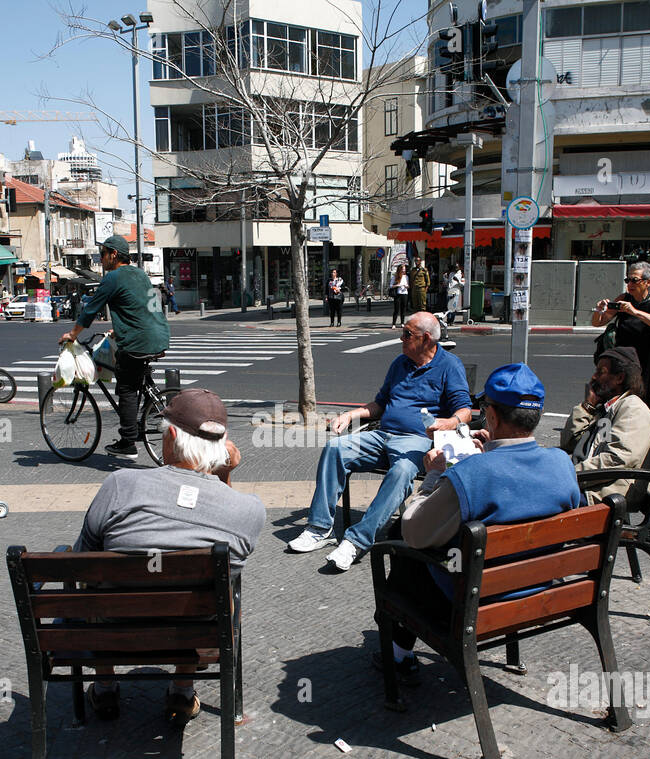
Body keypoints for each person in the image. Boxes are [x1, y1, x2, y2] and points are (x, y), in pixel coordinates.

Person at [380, 363, 582, 683]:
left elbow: (414, 530)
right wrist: (489, 452)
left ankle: (398, 653)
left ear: (492, 416)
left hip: (475, 606)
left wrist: (434, 475)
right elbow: (521, 491)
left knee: (397, 539)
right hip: (540, 592)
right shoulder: (562, 464)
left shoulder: (472, 473)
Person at [74, 388, 265, 723]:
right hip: (194, 630)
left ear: (172, 435)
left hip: (113, 626)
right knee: (210, 591)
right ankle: (182, 689)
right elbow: (228, 562)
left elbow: (82, 560)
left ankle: (104, 687)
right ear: (222, 446)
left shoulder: (120, 484)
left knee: (96, 581)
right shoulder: (249, 510)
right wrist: (223, 474)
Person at [288, 312, 472, 572]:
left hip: (416, 441)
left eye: (407, 334)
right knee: (335, 448)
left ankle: (356, 541)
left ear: (426, 339)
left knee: (403, 470)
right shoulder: (400, 363)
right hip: (382, 435)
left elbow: (465, 409)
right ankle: (319, 528)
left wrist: (449, 422)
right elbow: (381, 404)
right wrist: (351, 414)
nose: (401, 337)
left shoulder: (449, 366)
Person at [60, 235, 171, 459]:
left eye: (102, 254)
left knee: (127, 388)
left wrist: (72, 335)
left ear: (113, 254)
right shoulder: (140, 273)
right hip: (158, 334)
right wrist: (117, 330)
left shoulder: (114, 277)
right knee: (138, 379)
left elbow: (90, 311)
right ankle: (153, 407)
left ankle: (128, 441)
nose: (100, 259)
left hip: (138, 341)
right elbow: (141, 306)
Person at [559, 346, 650, 506]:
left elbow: (616, 459)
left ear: (619, 377)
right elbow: (570, 442)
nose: (593, 377)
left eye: (600, 372)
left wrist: (568, 476)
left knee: (538, 497)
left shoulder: (632, 409)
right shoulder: (608, 407)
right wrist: (588, 406)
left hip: (602, 493)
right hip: (588, 483)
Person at [591, 261, 650, 408]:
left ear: (648, 282)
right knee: (620, 396)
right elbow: (598, 322)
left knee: (644, 398)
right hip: (624, 358)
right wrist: (599, 310)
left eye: (635, 280)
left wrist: (634, 312)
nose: (630, 284)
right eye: (628, 280)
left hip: (647, 359)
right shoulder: (623, 298)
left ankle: (641, 427)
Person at [390, 263, 409, 327]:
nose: (404, 270)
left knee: (403, 309)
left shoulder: (406, 277)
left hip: (405, 293)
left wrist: (406, 286)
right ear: (399, 270)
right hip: (398, 294)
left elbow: (408, 285)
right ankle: (394, 323)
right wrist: (397, 285)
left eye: (404, 269)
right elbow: (391, 286)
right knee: (396, 309)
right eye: (403, 269)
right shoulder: (395, 277)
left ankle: (402, 323)